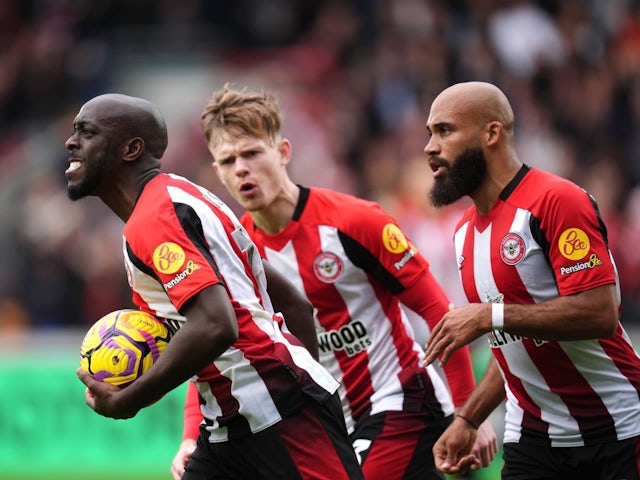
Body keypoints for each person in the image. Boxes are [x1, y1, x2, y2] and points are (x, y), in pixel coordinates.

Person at [170, 85, 498, 480]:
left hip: (400, 402)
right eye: (229, 160)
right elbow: (217, 354)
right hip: (327, 424)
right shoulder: (233, 255)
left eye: (253, 153)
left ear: (283, 152)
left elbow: (438, 311)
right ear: (218, 173)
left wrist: (468, 413)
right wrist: (190, 437)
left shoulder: (355, 221)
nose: (242, 168)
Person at [65, 93, 365, 480]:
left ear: (131, 149)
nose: (72, 142)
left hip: (280, 414)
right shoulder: (182, 198)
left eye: (86, 132)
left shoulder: (156, 217)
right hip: (233, 419)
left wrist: (130, 399)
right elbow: (290, 302)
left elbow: (215, 325)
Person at [422, 81, 640, 479]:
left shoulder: (556, 200)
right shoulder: (463, 234)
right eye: (430, 133)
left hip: (617, 431)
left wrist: (491, 316)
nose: (430, 147)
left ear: (492, 133)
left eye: (445, 130)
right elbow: (511, 346)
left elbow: (600, 312)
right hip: (533, 442)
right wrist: (468, 419)